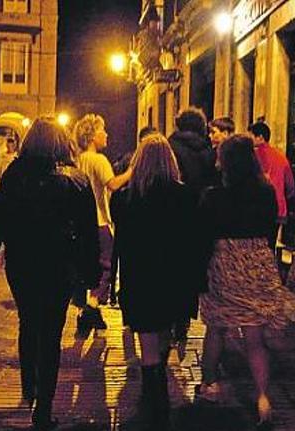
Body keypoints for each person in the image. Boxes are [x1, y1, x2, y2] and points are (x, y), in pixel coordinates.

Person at [0, 116, 101, 431]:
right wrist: (91, 271)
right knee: (52, 333)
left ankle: (28, 389)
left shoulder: (14, 175)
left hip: (23, 263)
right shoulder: (77, 180)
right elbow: (88, 232)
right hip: (60, 267)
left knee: (28, 322)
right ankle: (43, 408)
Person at [197, 134, 293, 431]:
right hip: (257, 263)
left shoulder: (213, 196)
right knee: (255, 339)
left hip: (225, 264)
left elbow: (203, 235)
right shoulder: (265, 192)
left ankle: (210, 384)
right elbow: (269, 227)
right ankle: (263, 398)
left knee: (217, 329)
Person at [111, 134, 198, 431]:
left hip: (140, 281)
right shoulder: (185, 196)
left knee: (148, 347)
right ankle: (158, 406)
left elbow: (122, 242)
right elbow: (193, 243)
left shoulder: (123, 199)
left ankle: (156, 413)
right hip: (174, 282)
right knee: (164, 341)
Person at [71, 114, 133, 337]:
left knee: (83, 266)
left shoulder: (78, 160)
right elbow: (113, 184)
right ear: (91, 135)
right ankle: (92, 306)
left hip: (79, 222)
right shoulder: (99, 160)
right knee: (106, 267)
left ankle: (85, 312)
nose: (106, 134)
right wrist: (132, 170)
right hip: (99, 220)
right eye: (102, 130)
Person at [167, 107, 219, 343]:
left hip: (174, 215)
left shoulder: (170, 147)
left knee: (172, 266)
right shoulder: (209, 151)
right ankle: (184, 319)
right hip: (201, 218)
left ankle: (170, 314)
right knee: (193, 269)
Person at [108, 125, 157, 306]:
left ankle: (121, 295)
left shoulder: (129, 160)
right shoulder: (131, 161)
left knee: (123, 258)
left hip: (127, 219)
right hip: (136, 220)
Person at [248, 121, 295, 250]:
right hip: (278, 209)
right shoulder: (281, 157)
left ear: (260, 137)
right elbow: (290, 187)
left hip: (258, 207)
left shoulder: (252, 156)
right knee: (271, 244)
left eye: (251, 136)